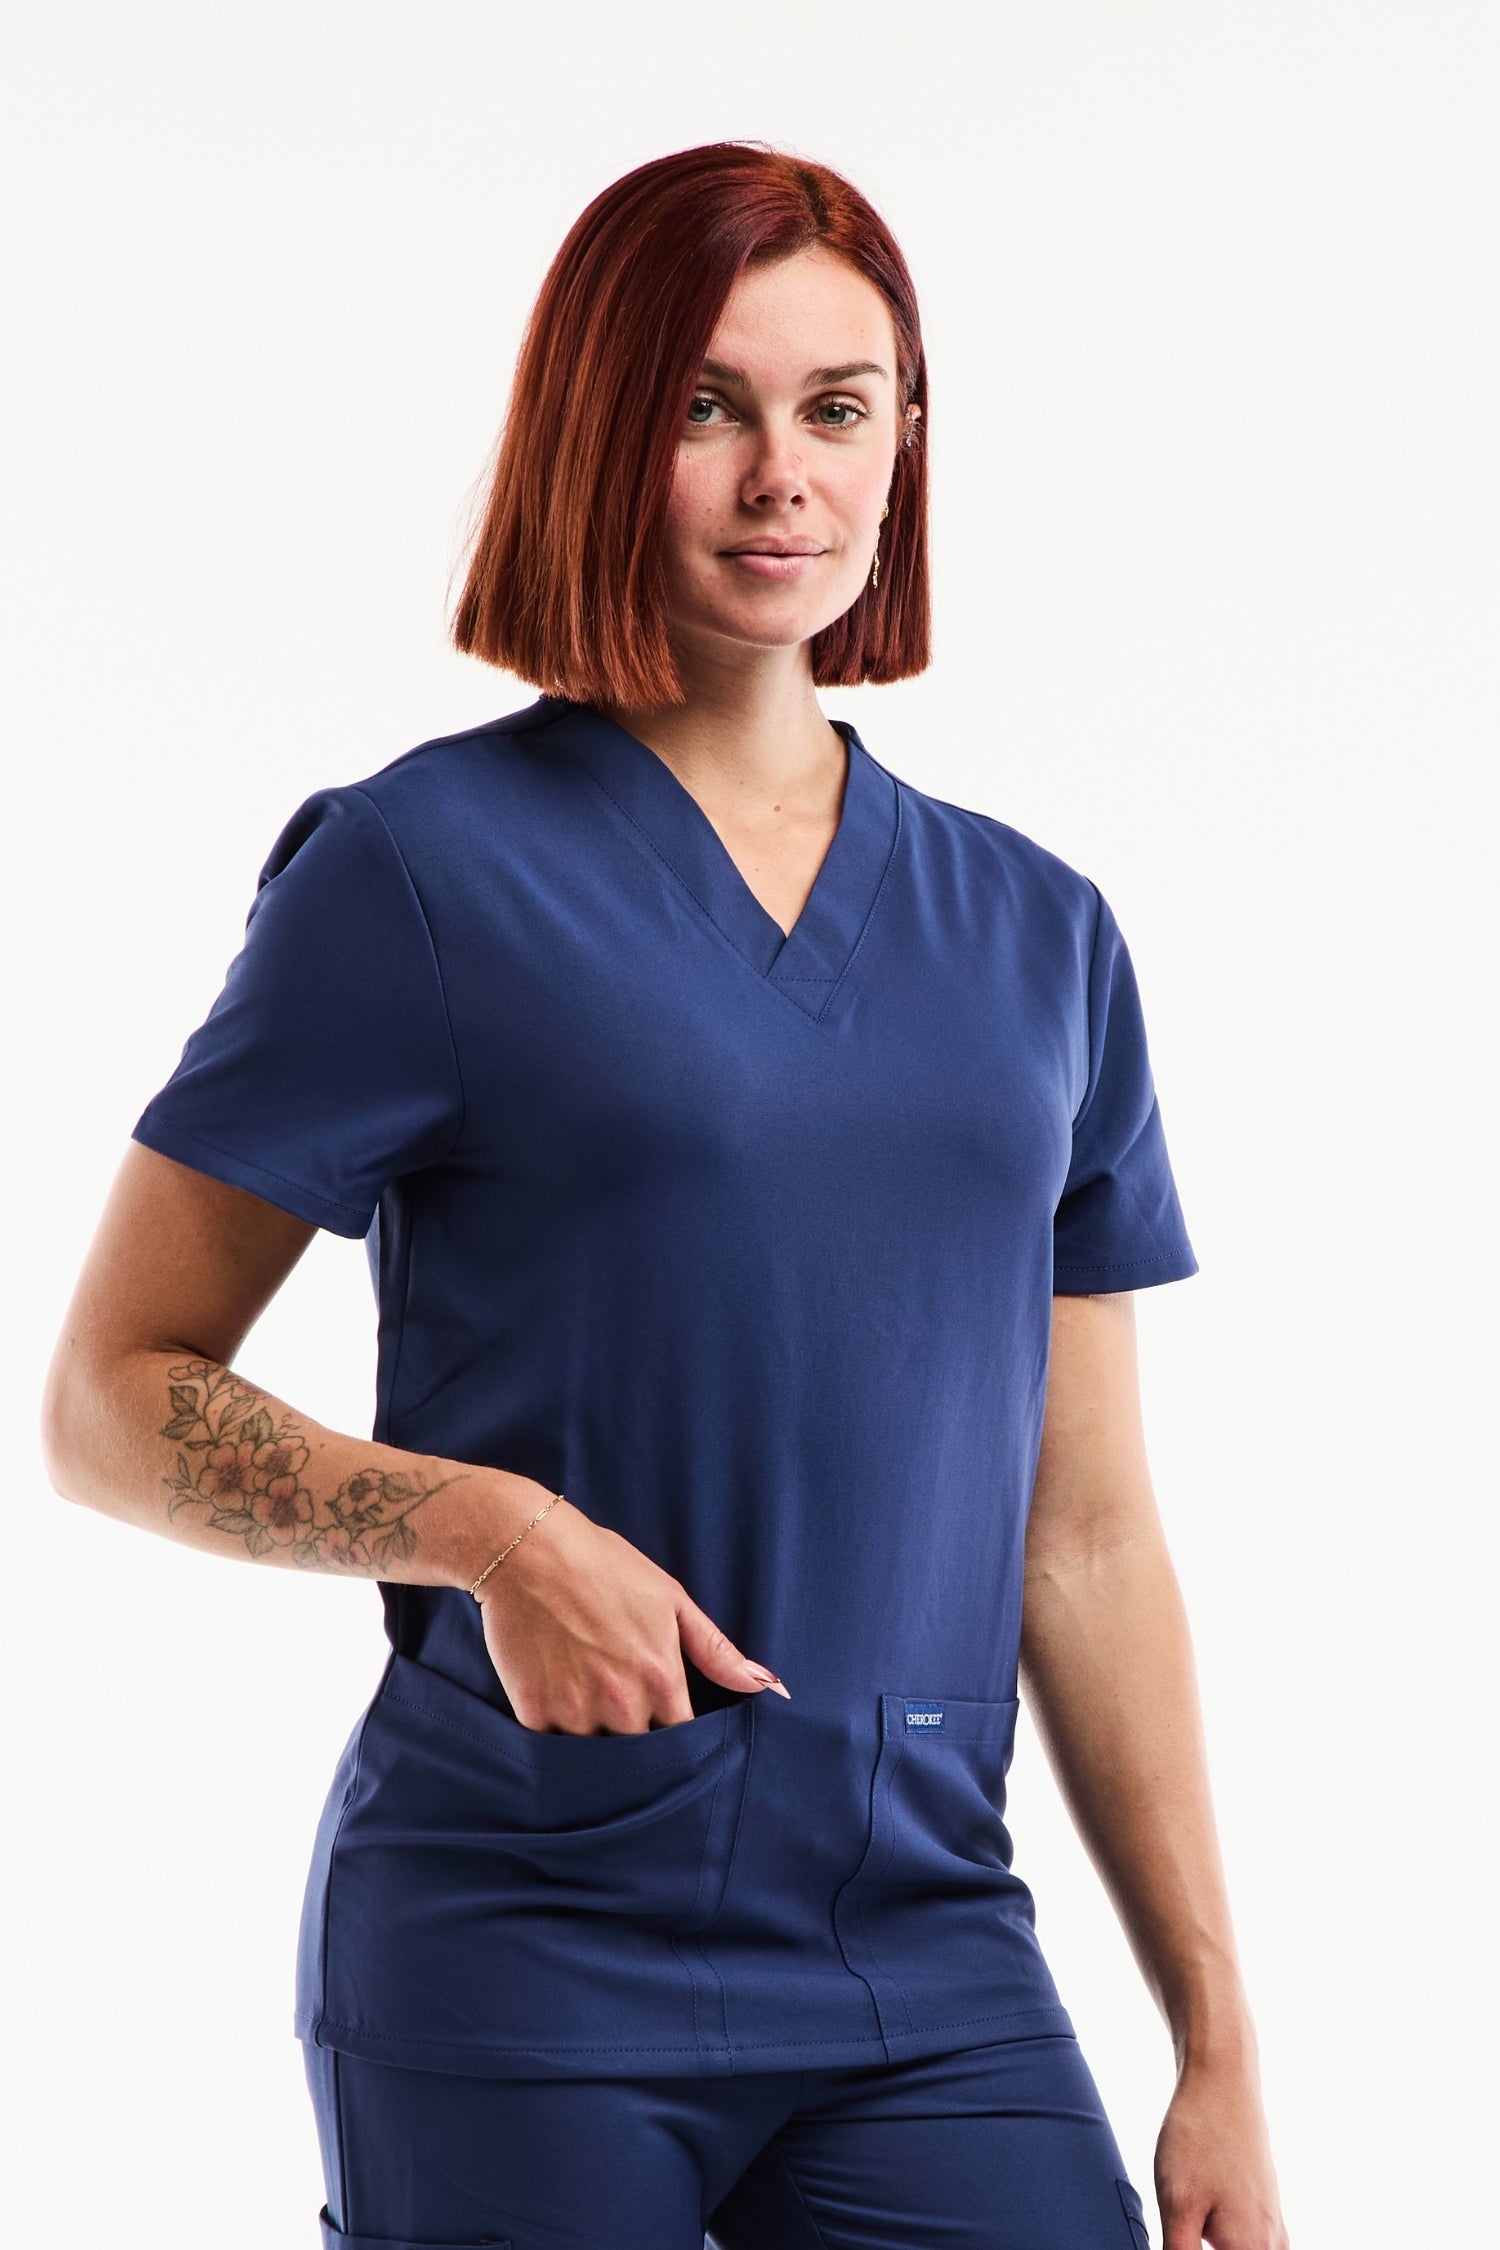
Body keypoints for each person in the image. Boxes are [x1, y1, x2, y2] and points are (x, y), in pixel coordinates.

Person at [41, 140, 1290, 2250]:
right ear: (598, 430)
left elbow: (1082, 1536)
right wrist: (486, 1529)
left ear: (906, 440)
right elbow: (107, 1397)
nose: (782, 475)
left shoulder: (1043, 939)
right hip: (517, 1943)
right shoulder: (417, 874)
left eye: (838, 407)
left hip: (929, 1957)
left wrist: (1218, 2037)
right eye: (708, 405)